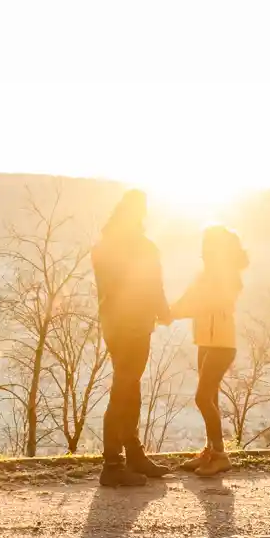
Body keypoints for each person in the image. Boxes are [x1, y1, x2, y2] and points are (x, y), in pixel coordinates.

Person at [91, 190, 172, 487]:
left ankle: (132, 454)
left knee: (128, 386)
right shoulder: (143, 247)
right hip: (135, 326)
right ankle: (113, 464)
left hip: (114, 325)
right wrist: (163, 311)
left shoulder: (103, 246)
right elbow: (152, 284)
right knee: (125, 388)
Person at [171, 225, 248, 477]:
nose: (203, 251)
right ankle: (211, 451)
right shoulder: (206, 274)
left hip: (222, 344)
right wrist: (167, 313)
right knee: (211, 398)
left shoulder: (228, 276)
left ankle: (220, 456)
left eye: (207, 246)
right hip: (205, 341)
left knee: (202, 398)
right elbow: (189, 300)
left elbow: (207, 302)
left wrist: (175, 311)